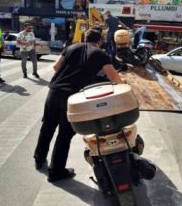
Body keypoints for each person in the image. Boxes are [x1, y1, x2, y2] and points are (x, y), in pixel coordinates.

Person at [33, 29, 123, 182]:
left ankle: (38, 158)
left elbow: (56, 67)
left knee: (47, 126)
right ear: (99, 41)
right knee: (65, 134)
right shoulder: (101, 54)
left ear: (84, 38)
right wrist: (123, 88)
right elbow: (113, 77)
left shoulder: (70, 47)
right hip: (73, 97)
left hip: (54, 91)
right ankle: (56, 171)